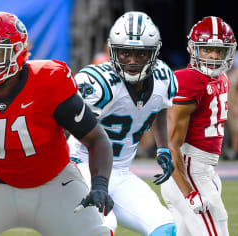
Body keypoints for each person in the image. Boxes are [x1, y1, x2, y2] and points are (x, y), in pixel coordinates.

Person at [0, 11, 114, 236]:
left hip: (56, 182)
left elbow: (96, 139)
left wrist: (100, 184)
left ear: (18, 53)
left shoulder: (48, 81)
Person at [67, 11, 177, 235]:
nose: (132, 60)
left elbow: (160, 107)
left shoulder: (163, 78)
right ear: (113, 51)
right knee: (102, 227)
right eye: (125, 53)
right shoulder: (97, 84)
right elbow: (62, 124)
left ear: (154, 53)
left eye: (140, 54)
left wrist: (163, 147)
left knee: (166, 227)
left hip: (120, 171)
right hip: (81, 165)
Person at [160, 16, 237, 236]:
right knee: (217, 228)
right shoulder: (190, 81)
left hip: (204, 170)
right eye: (207, 50)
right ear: (194, 50)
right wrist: (189, 192)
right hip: (188, 170)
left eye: (219, 51)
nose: (214, 56)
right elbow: (171, 146)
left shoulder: (221, 78)